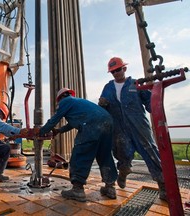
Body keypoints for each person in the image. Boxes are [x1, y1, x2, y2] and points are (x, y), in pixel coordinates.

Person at [99, 57, 166, 200]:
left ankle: (163, 187)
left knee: (151, 153)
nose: (116, 73)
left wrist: (157, 97)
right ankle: (123, 173)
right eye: (113, 72)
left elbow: (150, 103)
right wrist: (102, 104)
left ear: (124, 68)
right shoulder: (107, 88)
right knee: (121, 154)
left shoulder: (136, 84)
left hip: (139, 127)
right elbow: (102, 108)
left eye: (118, 70)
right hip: (119, 129)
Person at [39, 88, 118, 202]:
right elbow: (72, 124)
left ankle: (77, 190)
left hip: (91, 125)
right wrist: (58, 131)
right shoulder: (79, 103)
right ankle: (110, 187)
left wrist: (42, 131)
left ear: (60, 98)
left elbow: (54, 119)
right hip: (107, 122)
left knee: (80, 155)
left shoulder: (65, 102)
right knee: (104, 155)